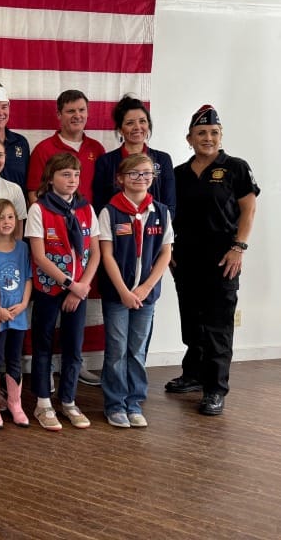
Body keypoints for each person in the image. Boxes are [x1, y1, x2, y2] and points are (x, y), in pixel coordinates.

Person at [165, 105, 259, 416]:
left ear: (221, 136)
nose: (208, 138)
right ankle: (193, 374)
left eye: (214, 133)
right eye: (201, 133)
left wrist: (239, 247)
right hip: (185, 259)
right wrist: (169, 251)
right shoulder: (178, 174)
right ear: (189, 139)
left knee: (218, 326)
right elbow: (170, 215)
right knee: (192, 322)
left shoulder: (235, 168)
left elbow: (249, 210)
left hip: (223, 259)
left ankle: (215, 389)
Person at [26, 89, 105, 387]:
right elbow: (34, 191)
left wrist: (78, 284)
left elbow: (96, 196)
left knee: (74, 334)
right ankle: (43, 386)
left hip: (83, 247)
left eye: (82, 110)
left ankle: (70, 387)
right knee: (44, 331)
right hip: (51, 249)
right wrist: (54, 218)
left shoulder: (96, 148)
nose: (77, 116)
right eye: (71, 110)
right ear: (59, 114)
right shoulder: (44, 148)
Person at [26, 153, 100, 431]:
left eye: (76, 175)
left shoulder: (86, 208)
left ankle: (68, 400)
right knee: (43, 344)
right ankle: (43, 402)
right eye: (65, 174)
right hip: (49, 288)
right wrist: (71, 284)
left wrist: (81, 288)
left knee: (73, 345)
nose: (72, 180)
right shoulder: (39, 209)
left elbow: (95, 253)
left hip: (78, 291)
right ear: (51, 178)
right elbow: (39, 256)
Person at [98, 154, 172, 428]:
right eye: (134, 173)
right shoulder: (109, 212)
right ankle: (115, 404)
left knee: (138, 350)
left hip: (146, 296)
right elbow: (106, 255)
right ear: (121, 178)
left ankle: (134, 402)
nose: (141, 178)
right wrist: (124, 291)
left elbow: (166, 253)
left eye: (146, 173)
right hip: (117, 294)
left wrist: (145, 288)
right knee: (117, 350)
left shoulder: (161, 212)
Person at [0, 199, 32, 429]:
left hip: (18, 315)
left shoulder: (23, 248)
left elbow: (28, 278)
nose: (6, 222)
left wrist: (23, 303)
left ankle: (15, 403)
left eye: (10, 217)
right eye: (0, 217)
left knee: (14, 359)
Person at [92, 94, 176, 217]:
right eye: (130, 123)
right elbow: (99, 207)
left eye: (142, 121)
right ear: (120, 129)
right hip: (115, 228)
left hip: (155, 227)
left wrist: (151, 225)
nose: (137, 127)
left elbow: (170, 207)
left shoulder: (163, 159)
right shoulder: (105, 162)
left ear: (148, 125)